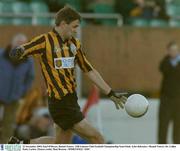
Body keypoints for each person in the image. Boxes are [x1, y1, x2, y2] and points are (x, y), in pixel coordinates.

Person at [8, 6, 127, 144]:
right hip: (60, 102)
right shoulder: (45, 41)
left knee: (61, 144)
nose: (76, 30)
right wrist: (17, 51)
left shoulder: (75, 44)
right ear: (64, 24)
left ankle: (19, 145)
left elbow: (89, 70)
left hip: (71, 99)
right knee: (98, 138)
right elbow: (25, 48)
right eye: (74, 26)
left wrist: (110, 92)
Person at [0, 33, 35, 143]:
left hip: (14, 97)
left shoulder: (29, 60)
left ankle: (5, 146)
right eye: (18, 42)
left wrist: (23, 91)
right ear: (12, 43)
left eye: (22, 43)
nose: (19, 45)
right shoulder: (1, 55)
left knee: (9, 124)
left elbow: (30, 77)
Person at [158, 41, 180, 144]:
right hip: (166, 99)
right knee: (163, 126)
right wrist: (171, 61)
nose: (174, 52)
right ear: (168, 51)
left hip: (178, 99)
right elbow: (162, 69)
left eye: (175, 50)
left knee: (178, 127)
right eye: (171, 50)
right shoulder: (165, 62)